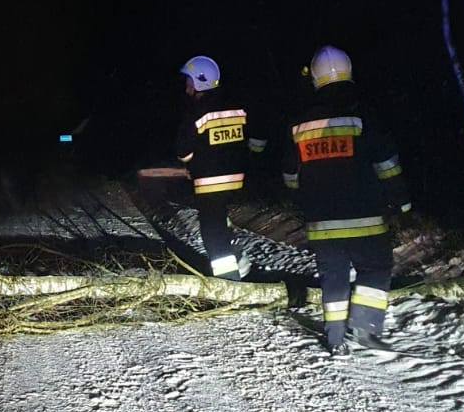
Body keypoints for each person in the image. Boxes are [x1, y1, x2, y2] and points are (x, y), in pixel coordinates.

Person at [281, 45, 412, 353]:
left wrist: (302, 196)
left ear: (315, 79)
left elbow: (290, 176)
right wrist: (401, 199)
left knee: (333, 277)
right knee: (375, 268)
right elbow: (386, 164)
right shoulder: (362, 116)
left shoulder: (299, 125)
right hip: (365, 216)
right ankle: (365, 328)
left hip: (322, 223)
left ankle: (335, 338)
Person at [174, 55, 259, 280]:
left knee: (212, 233)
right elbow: (255, 136)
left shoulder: (196, 113)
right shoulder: (237, 108)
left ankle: (228, 279)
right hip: (238, 180)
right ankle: (237, 258)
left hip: (209, 182)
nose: (187, 87)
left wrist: (191, 161)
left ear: (199, 81)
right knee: (220, 221)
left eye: (189, 81)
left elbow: (183, 152)